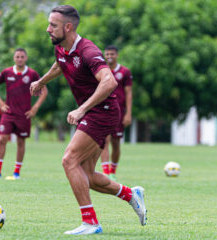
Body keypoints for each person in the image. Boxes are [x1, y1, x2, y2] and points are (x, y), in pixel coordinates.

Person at [30, 5, 146, 235]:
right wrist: (42, 81)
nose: (48, 29)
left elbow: (109, 81)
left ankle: (91, 223)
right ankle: (131, 194)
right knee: (88, 177)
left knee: (69, 160)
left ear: (68, 27)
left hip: (102, 111)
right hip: (96, 111)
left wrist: (81, 109)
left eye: (53, 25)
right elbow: (59, 65)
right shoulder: (62, 48)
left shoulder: (88, 51)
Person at [0, 48, 48, 180]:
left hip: (24, 115)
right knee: (2, 139)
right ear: (14, 58)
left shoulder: (32, 74)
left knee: (21, 142)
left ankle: (16, 172)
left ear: (26, 58)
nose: (20, 59)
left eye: (22, 57)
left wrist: (35, 107)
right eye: (17, 57)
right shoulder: (7, 72)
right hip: (8, 113)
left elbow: (44, 90)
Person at [100, 45, 133, 181]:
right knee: (104, 141)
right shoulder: (101, 71)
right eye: (107, 54)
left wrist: (128, 113)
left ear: (117, 55)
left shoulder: (124, 72)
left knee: (116, 142)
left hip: (119, 112)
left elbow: (128, 93)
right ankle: (106, 173)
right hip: (104, 110)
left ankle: (113, 171)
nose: (109, 57)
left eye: (112, 54)